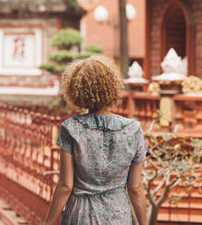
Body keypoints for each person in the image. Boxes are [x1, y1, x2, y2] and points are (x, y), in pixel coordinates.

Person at [43, 56, 147, 225]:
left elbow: (65, 186)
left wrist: (48, 223)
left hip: (79, 216)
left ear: (77, 89)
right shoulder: (133, 130)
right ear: (113, 87)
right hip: (117, 216)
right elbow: (135, 188)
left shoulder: (71, 129)